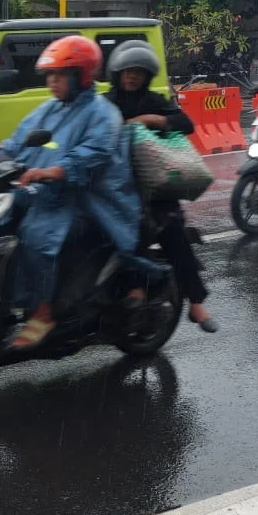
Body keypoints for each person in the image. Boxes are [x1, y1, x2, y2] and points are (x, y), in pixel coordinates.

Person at [0, 35, 142, 350]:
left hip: (89, 201)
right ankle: (3, 302)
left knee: (36, 236)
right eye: (50, 75)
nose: (52, 82)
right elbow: (15, 144)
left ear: (82, 75)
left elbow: (91, 155)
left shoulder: (103, 114)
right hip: (45, 192)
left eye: (60, 75)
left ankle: (43, 312)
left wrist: (51, 171)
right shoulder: (49, 109)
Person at [105, 40, 217, 333]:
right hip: (114, 184)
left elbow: (186, 123)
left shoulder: (153, 100)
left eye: (138, 73)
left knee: (172, 230)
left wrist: (151, 119)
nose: (131, 77)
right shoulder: (104, 103)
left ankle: (195, 302)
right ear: (116, 73)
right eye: (127, 72)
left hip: (152, 183)